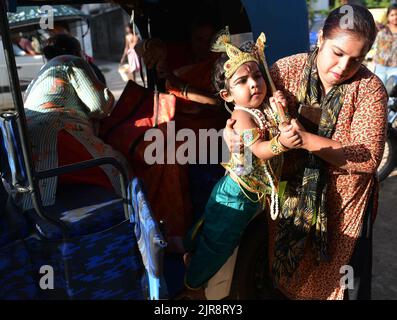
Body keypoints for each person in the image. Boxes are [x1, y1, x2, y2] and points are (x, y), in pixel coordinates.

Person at [223, 5, 387, 300]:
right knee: (290, 281)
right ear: (321, 38)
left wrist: (306, 140)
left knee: (343, 288)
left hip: (345, 208)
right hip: (291, 201)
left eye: (356, 59)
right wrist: (232, 132)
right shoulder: (284, 71)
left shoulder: (370, 89)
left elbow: (368, 157)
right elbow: (248, 112)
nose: (342, 67)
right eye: (337, 53)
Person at [181, 31, 302, 299]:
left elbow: (280, 125)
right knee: (219, 244)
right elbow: (258, 149)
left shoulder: (264, 108)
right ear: (227, 94)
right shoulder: (241, 117)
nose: (254, 84)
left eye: (257, 77)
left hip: (252, 195)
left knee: (218, 236)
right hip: (237, 195)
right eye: (243, 81)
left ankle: (193, 257)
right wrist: (281, 142)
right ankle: (193, 286)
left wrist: (282, 111)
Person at [21, 34, 129, 210]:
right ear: (78, 51)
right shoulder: (70, 61)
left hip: (28, 144)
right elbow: (98, 106)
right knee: (121, 165)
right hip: (60, 135)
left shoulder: (41, 74)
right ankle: (130, 216)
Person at [373, 4, 397, 85]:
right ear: (387, 16)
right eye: (392, 15)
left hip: (395, 67)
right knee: (379, 89)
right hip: (380, 66)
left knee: (392, 92)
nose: (395, 17)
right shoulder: (381, 28)